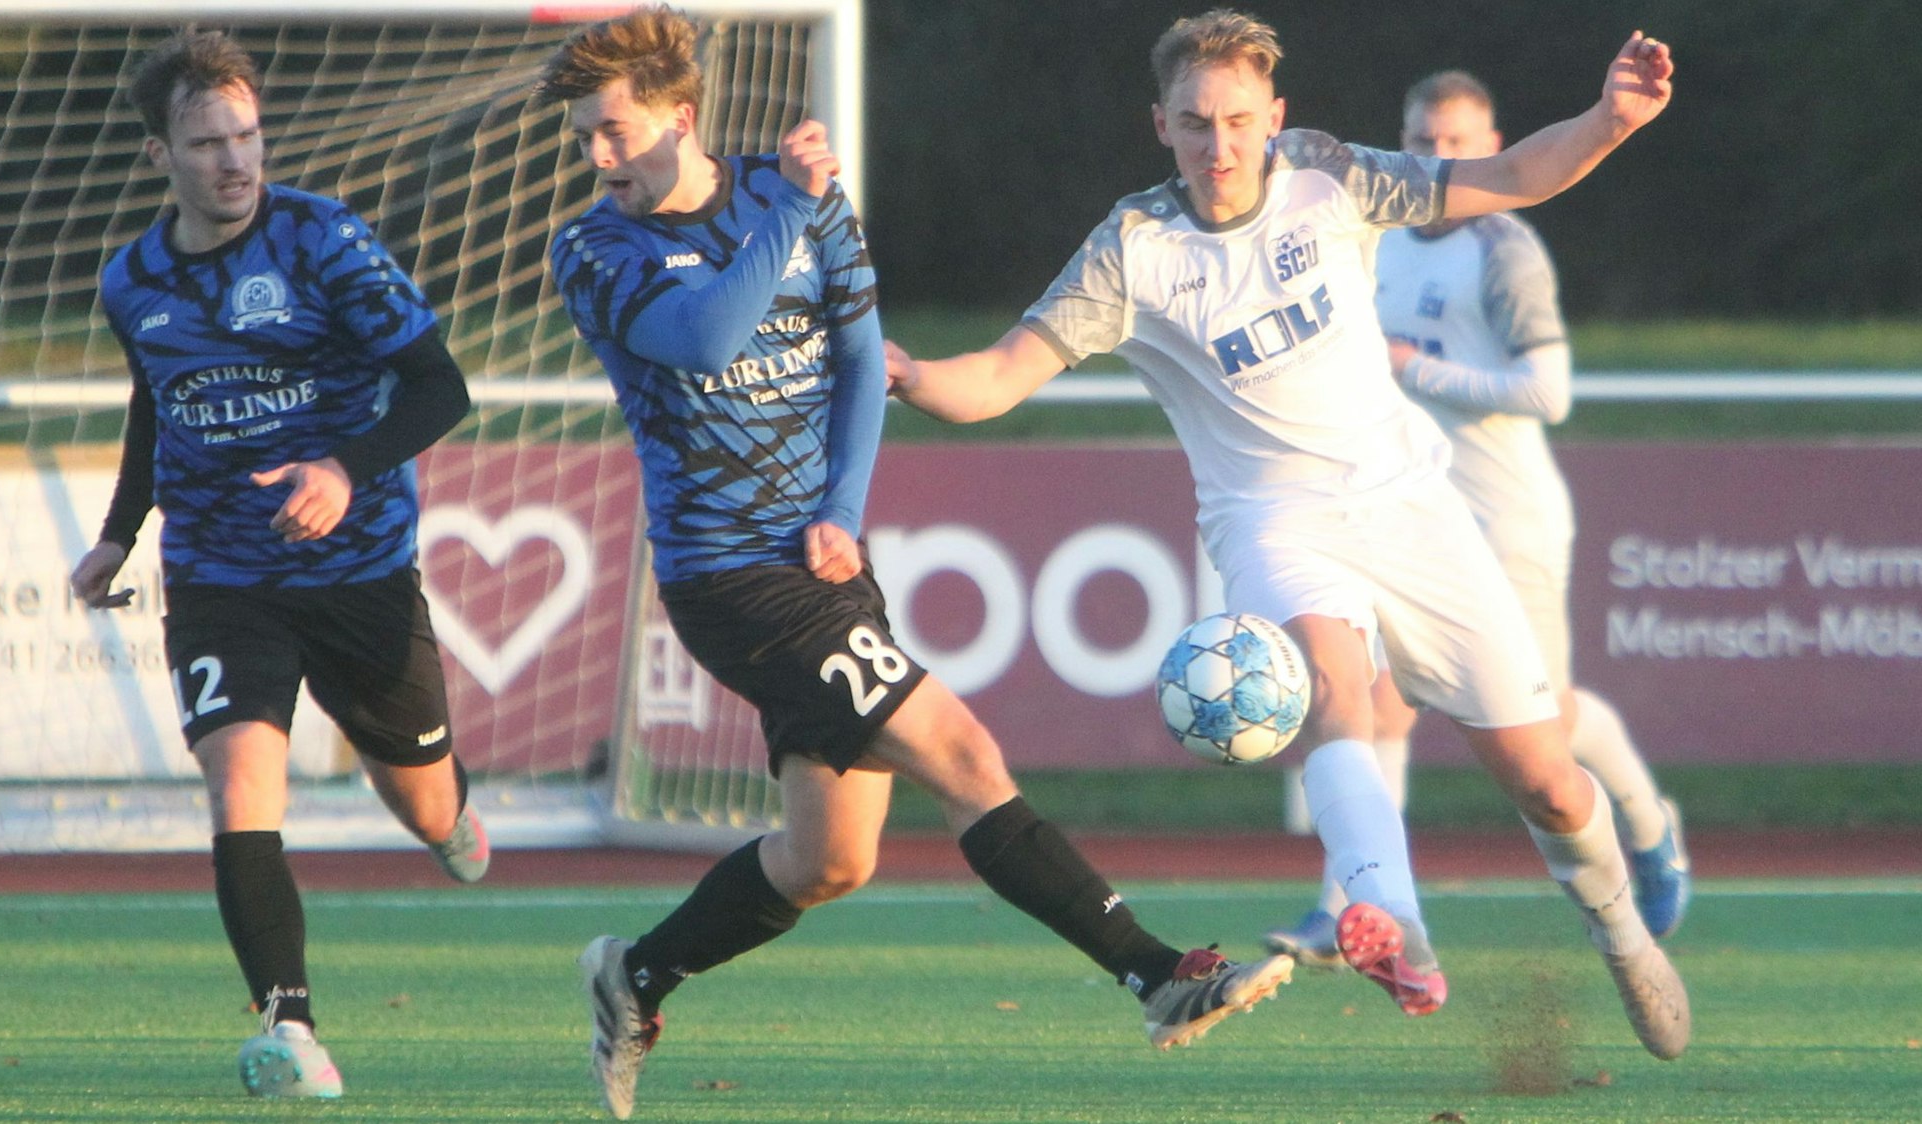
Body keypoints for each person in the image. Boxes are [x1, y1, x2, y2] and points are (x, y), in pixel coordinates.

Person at [532, 7, 1294, 1118]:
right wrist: (790, 207)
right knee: (964, 749)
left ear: (679, 117)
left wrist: (843, 505)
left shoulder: (801, 196)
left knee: (831, 858)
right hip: (727, 575)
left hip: (824, 563)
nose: (600, 158)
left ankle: (634, 974)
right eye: (586, 137)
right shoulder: (596, 245)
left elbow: (855, 358)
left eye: (615, 131)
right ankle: (1157, 972)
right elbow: (703, 338)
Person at [887, 10, 1689, 1060]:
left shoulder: (1330, 179)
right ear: (1159, 126)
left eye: (1235, 120)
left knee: (1542, 775)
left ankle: (1621, 929)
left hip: (1409, 501)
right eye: (1192, 123)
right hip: (1270, 519)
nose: (1217, 145)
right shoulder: (1133, 251)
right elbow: (999, 374)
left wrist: (1611, 120)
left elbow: (1514, 177)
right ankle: (1391, 921)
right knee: (1331, 678)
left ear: (1276, 116)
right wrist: (910, 376)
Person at [69, 28, 489, 1100]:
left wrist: (345, 469)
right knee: (239, 782)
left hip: (358, 571)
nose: (236, 161)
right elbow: (154, 404)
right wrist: (122, 528)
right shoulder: (133, 281)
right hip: (221, 574)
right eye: (208, 141)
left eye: (248, 135)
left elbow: (442, 387)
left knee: (427, 804)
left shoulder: (325, 243)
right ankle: (293, 1028)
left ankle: (449, 810)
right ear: (159, 152)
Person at [1265, 68, 1693, 969]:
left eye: (1457, 142)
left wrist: (1417, 368)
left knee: (1553, 721)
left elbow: (1550, 391)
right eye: (1422, 140)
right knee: (1375, 706)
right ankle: (1353, 908)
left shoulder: (1506, 251)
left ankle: (1651, 829)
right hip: (1404, 513)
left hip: (1508, 518)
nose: (1437, 157)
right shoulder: (1367, 235)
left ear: (1492, 148)